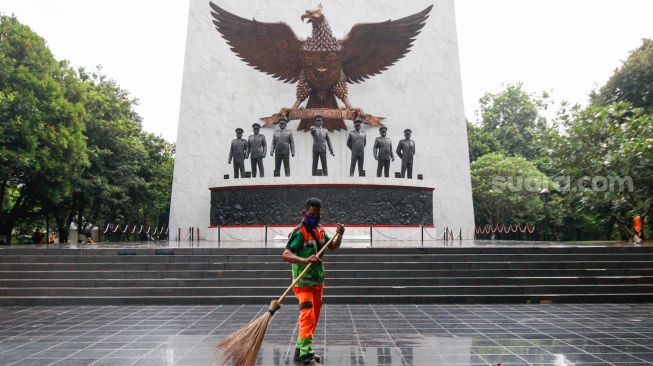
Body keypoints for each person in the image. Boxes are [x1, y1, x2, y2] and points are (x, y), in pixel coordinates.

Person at [282, 198, 344, 365]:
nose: (314, 217)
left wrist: (340, 235)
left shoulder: (320, 231)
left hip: (318, 282)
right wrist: (304, 260)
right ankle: (306, 355)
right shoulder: (299, 232)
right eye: (311, 214)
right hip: (303, 284)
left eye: (317, 215)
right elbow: (286, 254)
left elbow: (333, 246)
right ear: (304, 213)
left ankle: (299, 350)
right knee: (307, 316)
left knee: (313, 319)